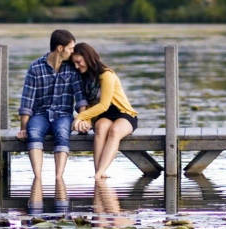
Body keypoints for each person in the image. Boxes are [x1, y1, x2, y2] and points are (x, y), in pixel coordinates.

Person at [17, 29, 87, 180]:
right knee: (33, 132)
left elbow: (80, 98)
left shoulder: (72, 68)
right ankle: (38, 177)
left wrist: (82, 119)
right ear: (60, 48)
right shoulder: (35, 68)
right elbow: (27, 101)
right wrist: (23, 128)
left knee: (62, 133)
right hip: (40, 114)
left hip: (63, 115)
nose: (73, 52)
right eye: (70, 48)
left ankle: (58, 177)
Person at [70, 43, 138, 180]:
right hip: (104, 116)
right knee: (100, 128)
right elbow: (89, 104)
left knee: (115, 131)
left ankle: (100, 172)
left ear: (88, 57)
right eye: (74, 64)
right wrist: (86, 120)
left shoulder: (106, 75)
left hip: (123, 113)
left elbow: (104, 105)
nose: (77, 66)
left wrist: (80, 117)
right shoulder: (85, 77)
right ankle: (99, 172)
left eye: (79, 62)